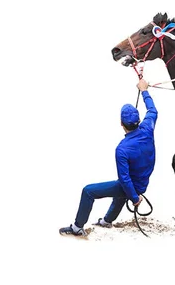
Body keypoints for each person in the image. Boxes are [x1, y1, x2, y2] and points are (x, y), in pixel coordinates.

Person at [59, 79, 157, 237]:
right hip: (143, 182)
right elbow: (153, 111)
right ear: (138, 121)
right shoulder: (148, 128)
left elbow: (125, 179)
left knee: (89, 191)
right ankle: (106, 221)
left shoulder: (122, 149)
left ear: (121, 123)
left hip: (134, 187)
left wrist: (135, 198)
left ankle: (77, 227)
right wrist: (144, 90)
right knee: (120, 190)